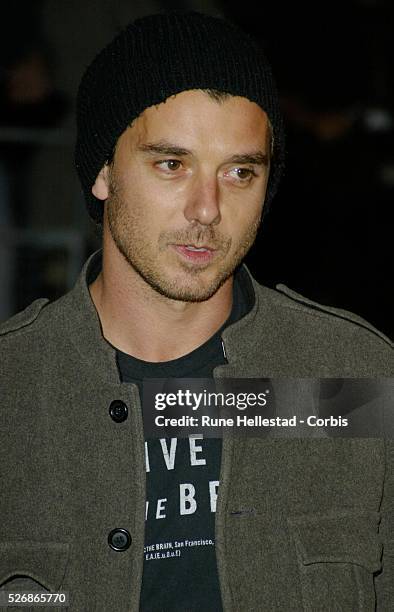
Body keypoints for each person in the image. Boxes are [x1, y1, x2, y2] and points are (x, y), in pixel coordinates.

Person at [0, 11, 393, 612]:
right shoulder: (16, 382)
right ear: (103, 172)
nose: (207, 209)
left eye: (239, 172)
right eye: (171, 164)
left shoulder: (351, 379)